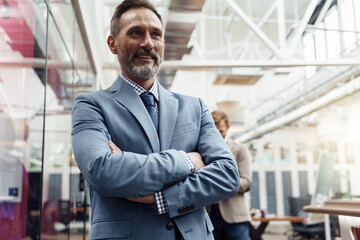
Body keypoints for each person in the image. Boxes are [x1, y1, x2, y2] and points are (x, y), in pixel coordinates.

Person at [71, 0, 240, 239]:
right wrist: (186, 162)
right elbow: (102, 170)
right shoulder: (91, 105)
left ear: (162, 43)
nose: (147, 43)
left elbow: (227, 175)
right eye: (135, 33)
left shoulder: (194, 107)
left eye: (156, 34)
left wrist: (161, 199)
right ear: (113, 44)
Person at [210, 110, 252, 240]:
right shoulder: (201, 150)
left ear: (228, 128)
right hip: (208, 216)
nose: (218, 135)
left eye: (221, 131)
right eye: (214, 131)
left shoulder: (240, 149)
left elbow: (246, 183)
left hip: (235, 216)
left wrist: (220, 180)